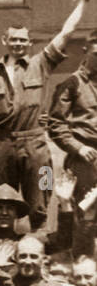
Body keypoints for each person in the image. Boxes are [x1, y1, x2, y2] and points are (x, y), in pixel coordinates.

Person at [0, 0, 93, 229]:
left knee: (43, 197)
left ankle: (42, 246)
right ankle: (4, 250)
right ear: (5, 40)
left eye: (23, 40)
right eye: (13, 39)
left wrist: (83, 2)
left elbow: (66, 33)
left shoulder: (40, 64)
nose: (18, 44)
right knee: (2, 201)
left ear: (29, 42)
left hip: (37, 147)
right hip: (3, 147)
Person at [49, 28, 97, 258]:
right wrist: (78, 147)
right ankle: (82, 270)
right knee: (83, 218)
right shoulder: (73, 83)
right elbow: (55, 124)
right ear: (87, 51)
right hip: (84, 161)